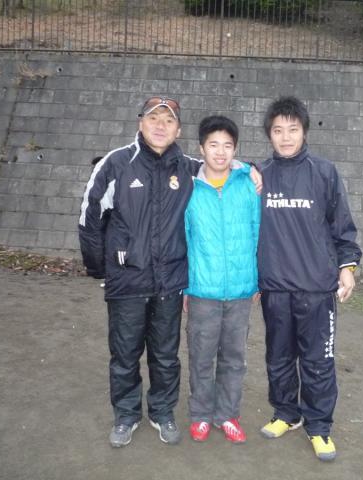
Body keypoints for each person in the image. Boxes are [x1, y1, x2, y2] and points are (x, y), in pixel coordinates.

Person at [78, 96, 261, 448]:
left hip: (170, 282)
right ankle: (126, 415)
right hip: (127, 280)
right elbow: (90, 218)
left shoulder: (187, 167)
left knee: (165, 355)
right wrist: (99, 267)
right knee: (125, 354)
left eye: (168, 120)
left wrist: (252, 167)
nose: (160, 126)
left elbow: (220, 162)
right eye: (153, 118)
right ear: (140, 123)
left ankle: (162, 412)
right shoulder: (116, 163)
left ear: (178, 130)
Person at [256, 96, 362, 461]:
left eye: (293, 129)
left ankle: (319, 426)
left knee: (318, 361)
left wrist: (347, 267)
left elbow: (343, 228)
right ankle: (286, 413)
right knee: (278, 357)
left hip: (316, 289)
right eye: (278, 130)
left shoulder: (324, 173)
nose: (285, 137)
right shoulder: (258, 176)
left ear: (304, 131)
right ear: (269, 134)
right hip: (275, 288)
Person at [182, 115, 261, 444]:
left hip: (241, 290)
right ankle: (201, 414)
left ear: (235, 150)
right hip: (203, 289)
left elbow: (258, 232)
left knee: (234, 358)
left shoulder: (248, 184)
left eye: (227, 145)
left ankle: (227, 415)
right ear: (201, 149)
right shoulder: (189, 188)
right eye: (213, 144)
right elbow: (183, 239)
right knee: (201, 356)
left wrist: (256, 280)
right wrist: (185, 287)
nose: (220, 152)